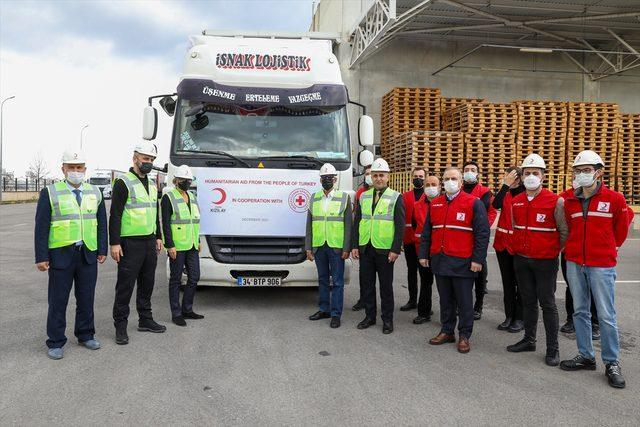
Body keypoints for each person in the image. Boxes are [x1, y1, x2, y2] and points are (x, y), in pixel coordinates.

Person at [559, 150, 631, 389]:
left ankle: (611, 362)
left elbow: (620, 231)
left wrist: (608, 249)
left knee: (606, 316)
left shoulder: (615, 199)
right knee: (580, 311)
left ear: (599, 172)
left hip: (602, 265)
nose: (582, 175)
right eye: (578, 171)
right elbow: (569, 229)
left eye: (587, 170)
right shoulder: (570, 201)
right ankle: (586, 356)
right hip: (575, 262)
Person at [34, 149, 107, 359]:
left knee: (86, 298)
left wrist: (102, 249)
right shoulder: (50, 192)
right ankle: (55, 341)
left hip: (88, 253)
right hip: (60, 255)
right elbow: (41, 227)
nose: (76, 171)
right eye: (72, 167)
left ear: (85, 169)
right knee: (58, 301)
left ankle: (85, 334)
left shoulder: (95, 192)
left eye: (79, 167)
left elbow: (101, 223)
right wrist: (41, 256)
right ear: (63, 169)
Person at [419, 167, 490, 353]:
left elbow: (483, 233)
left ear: (460, 182)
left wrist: (478, 260)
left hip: (463, 262)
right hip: (440, 261)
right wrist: (424, 254)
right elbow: (427, 232)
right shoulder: (435, 204)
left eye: (454, 178)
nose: (450, 181)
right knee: (445, 300)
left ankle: (464, 335)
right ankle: (447, 330)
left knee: (465, 301)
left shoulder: (473, 203)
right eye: (447, 178)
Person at [506, 154, 567, 367]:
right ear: (521, 177)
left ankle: (553, 349)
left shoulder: (555, 201)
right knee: (528, 301)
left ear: (543, 176)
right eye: (527, 173)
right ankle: (529, 340)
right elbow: (515, 228)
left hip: (545, 262)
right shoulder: (516, 202)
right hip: (522, 260)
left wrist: (551, 251)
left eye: (535, 173)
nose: (531, 177)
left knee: (548, 303)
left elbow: (563, 231)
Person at [110, 141, 165, 345]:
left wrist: (158, 236)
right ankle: (121, 326)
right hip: (129, 244)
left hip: (149, 242)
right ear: (135, 158)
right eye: (145, 159)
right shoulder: (123, 182)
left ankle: (146, 319)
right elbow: (114, 215)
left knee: (147, 284)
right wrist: (114, 243)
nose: (148, 162)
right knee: (125, 286)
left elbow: (155, 212)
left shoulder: (152, 184)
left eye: (151, 159)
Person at [352, 158, 404, 334]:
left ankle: (387, 320)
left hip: (385, 250)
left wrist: (395, 249)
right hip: (366, 248)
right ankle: (369, 316)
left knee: (385, 287)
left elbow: (399, 225)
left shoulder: (396, 197)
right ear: (371, 177)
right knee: (366, 285)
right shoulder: (364, 196)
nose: (378, 178)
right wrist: (355, 245)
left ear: (388, 177)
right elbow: (358, 221)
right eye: (375, 175)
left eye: (381, 175)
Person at [305, 163, 352, 328]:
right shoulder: (314, 197)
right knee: (323, 280)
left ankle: (335, 314)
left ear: (335, 179)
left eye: (329, 178)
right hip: (319, 246)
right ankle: (324, 309)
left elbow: (348, 226)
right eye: (324, 178)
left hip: (336, 247)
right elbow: (309, 224)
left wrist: (347, 248)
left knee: (337, 282)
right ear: (320, 180)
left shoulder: (344, 198)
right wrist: (308, 247)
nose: (326, 181)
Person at [161, 165, 204, 327]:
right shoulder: (168, 197)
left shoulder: (192, 197)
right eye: (184, 180)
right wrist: (169, 245)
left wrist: (198, 240)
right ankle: (176, 313)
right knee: (175, 280)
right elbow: (165, 223)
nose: (186, 182)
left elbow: (195, 221)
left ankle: (187, 309)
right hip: (177, 247)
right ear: (176, 180)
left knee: (194, 277)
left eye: (189, 180)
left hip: (192, 245)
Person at [559, 179, 599, 339]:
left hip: (594, 252)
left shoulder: (606, 196)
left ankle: (595, 323)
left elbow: (625, 218)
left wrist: (613, 244)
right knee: (572, 287)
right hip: (570, 251)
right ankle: (571, 320)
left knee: (593, 288)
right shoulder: (565, 198)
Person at [462, 161, 497, 320]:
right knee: (462, 271)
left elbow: (491, 212)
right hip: (462, 236)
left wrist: (483, 228)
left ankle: (479, 305)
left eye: (472, 170)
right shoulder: (458, 190)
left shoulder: (484, 192)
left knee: (480, 269)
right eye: (466, 169)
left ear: (477, 173)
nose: (469, 172)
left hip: (478, 235)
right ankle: (463, 304)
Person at [492, 167, 525, 333]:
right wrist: (505, 185)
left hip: (518, 245)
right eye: (509, 177)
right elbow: (495, 205)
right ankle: (509, 315)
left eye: (514, 178)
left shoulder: (525, 194)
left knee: (521, 282)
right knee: (507, 282)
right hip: (502, 244)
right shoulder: (505, 193)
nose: (512, 180)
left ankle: (520, 318)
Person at [411, 175, 440, 324]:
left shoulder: (444, 203)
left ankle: (449, 314)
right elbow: (415, 224)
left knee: (446, 285)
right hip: (423, 250)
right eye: (427, 184)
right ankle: (424, 312)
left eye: (433, 184)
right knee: (425, 282)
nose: (430, 187)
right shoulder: (417, 205)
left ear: (439, 186)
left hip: (441, 250)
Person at [400, 167, 429, 313]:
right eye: (416, 176)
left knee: (425, 274)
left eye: (421, 176)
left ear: (425, 178)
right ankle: (412, 300)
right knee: (411, 271)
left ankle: (425, 304)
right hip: (409, 240)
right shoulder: (405, 196)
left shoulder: (429, 195)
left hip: (425, 242)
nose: (418, 178)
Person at [352, 164, 372, 312]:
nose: (369, 176)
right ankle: (363, 299)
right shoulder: (360, 193)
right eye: (367, 174)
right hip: (363, 240)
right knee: (363, 275)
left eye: (372, 173)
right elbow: (357, 217)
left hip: (379, 242)